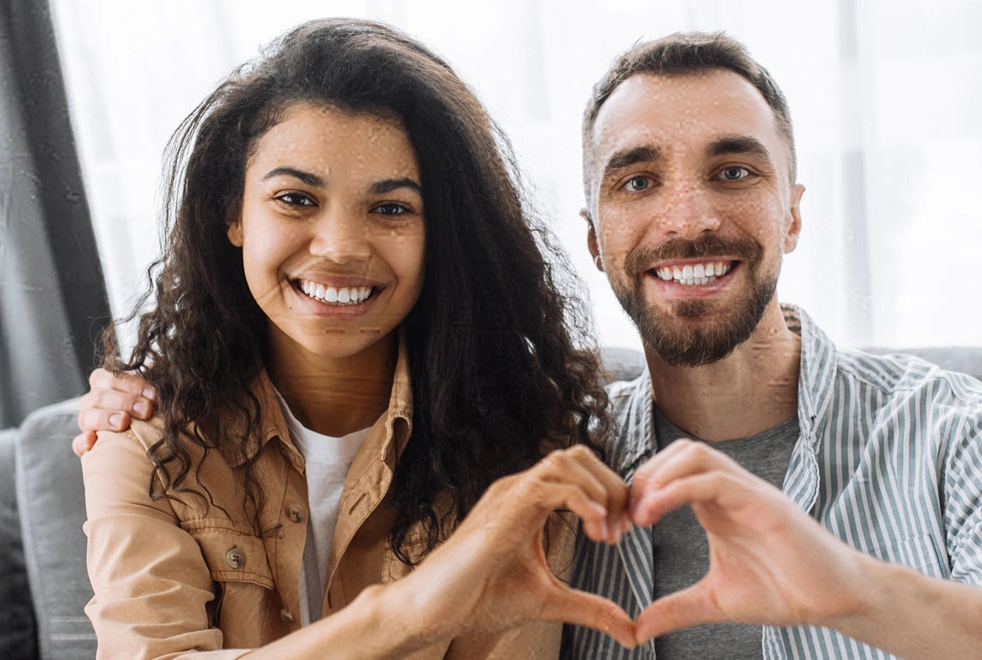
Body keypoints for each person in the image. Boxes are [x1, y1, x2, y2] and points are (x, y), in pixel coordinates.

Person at [79, 30, 982, 660]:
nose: (689, 216)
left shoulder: (946, 430)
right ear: (596, 235)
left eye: (735, 170)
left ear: (794, 210)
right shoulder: (551, 466)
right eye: (639, 179)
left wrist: (856, 590)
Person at [77, 19, 643, 659]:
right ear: (232, 214)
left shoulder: (525, 447)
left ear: (442, 236)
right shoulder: (144, 438)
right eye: (295, 198)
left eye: (392, 209)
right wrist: (405, 617)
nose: (341, 248)